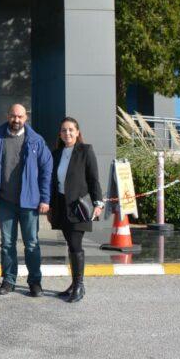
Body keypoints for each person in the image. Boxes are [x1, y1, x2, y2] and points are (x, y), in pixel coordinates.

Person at [0, 104, 53, 297]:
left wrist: (45, 198)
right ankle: (8, 280)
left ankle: (35, 282)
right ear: (8, 116)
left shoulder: (36, 141)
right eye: (13, 116)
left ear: (26, 117)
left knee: (31, 244)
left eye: (20, 116)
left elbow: (46, 171)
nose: (16, 120)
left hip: (29, 203)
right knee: (7, 244)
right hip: (5, 201)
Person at [48, 116, 105, 304]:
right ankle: (74, 284)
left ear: (77, 132)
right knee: (70, 244)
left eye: (71, 130)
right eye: (64, 130)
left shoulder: (85, 151)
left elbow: (93, 179)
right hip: (61, 205)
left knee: (75, 244)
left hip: (78, 206)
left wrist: (98, 202)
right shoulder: (57, 153)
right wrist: (50, 206)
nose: (67, 133)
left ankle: (79, 285)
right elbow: (53, 182)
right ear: (60, 134)